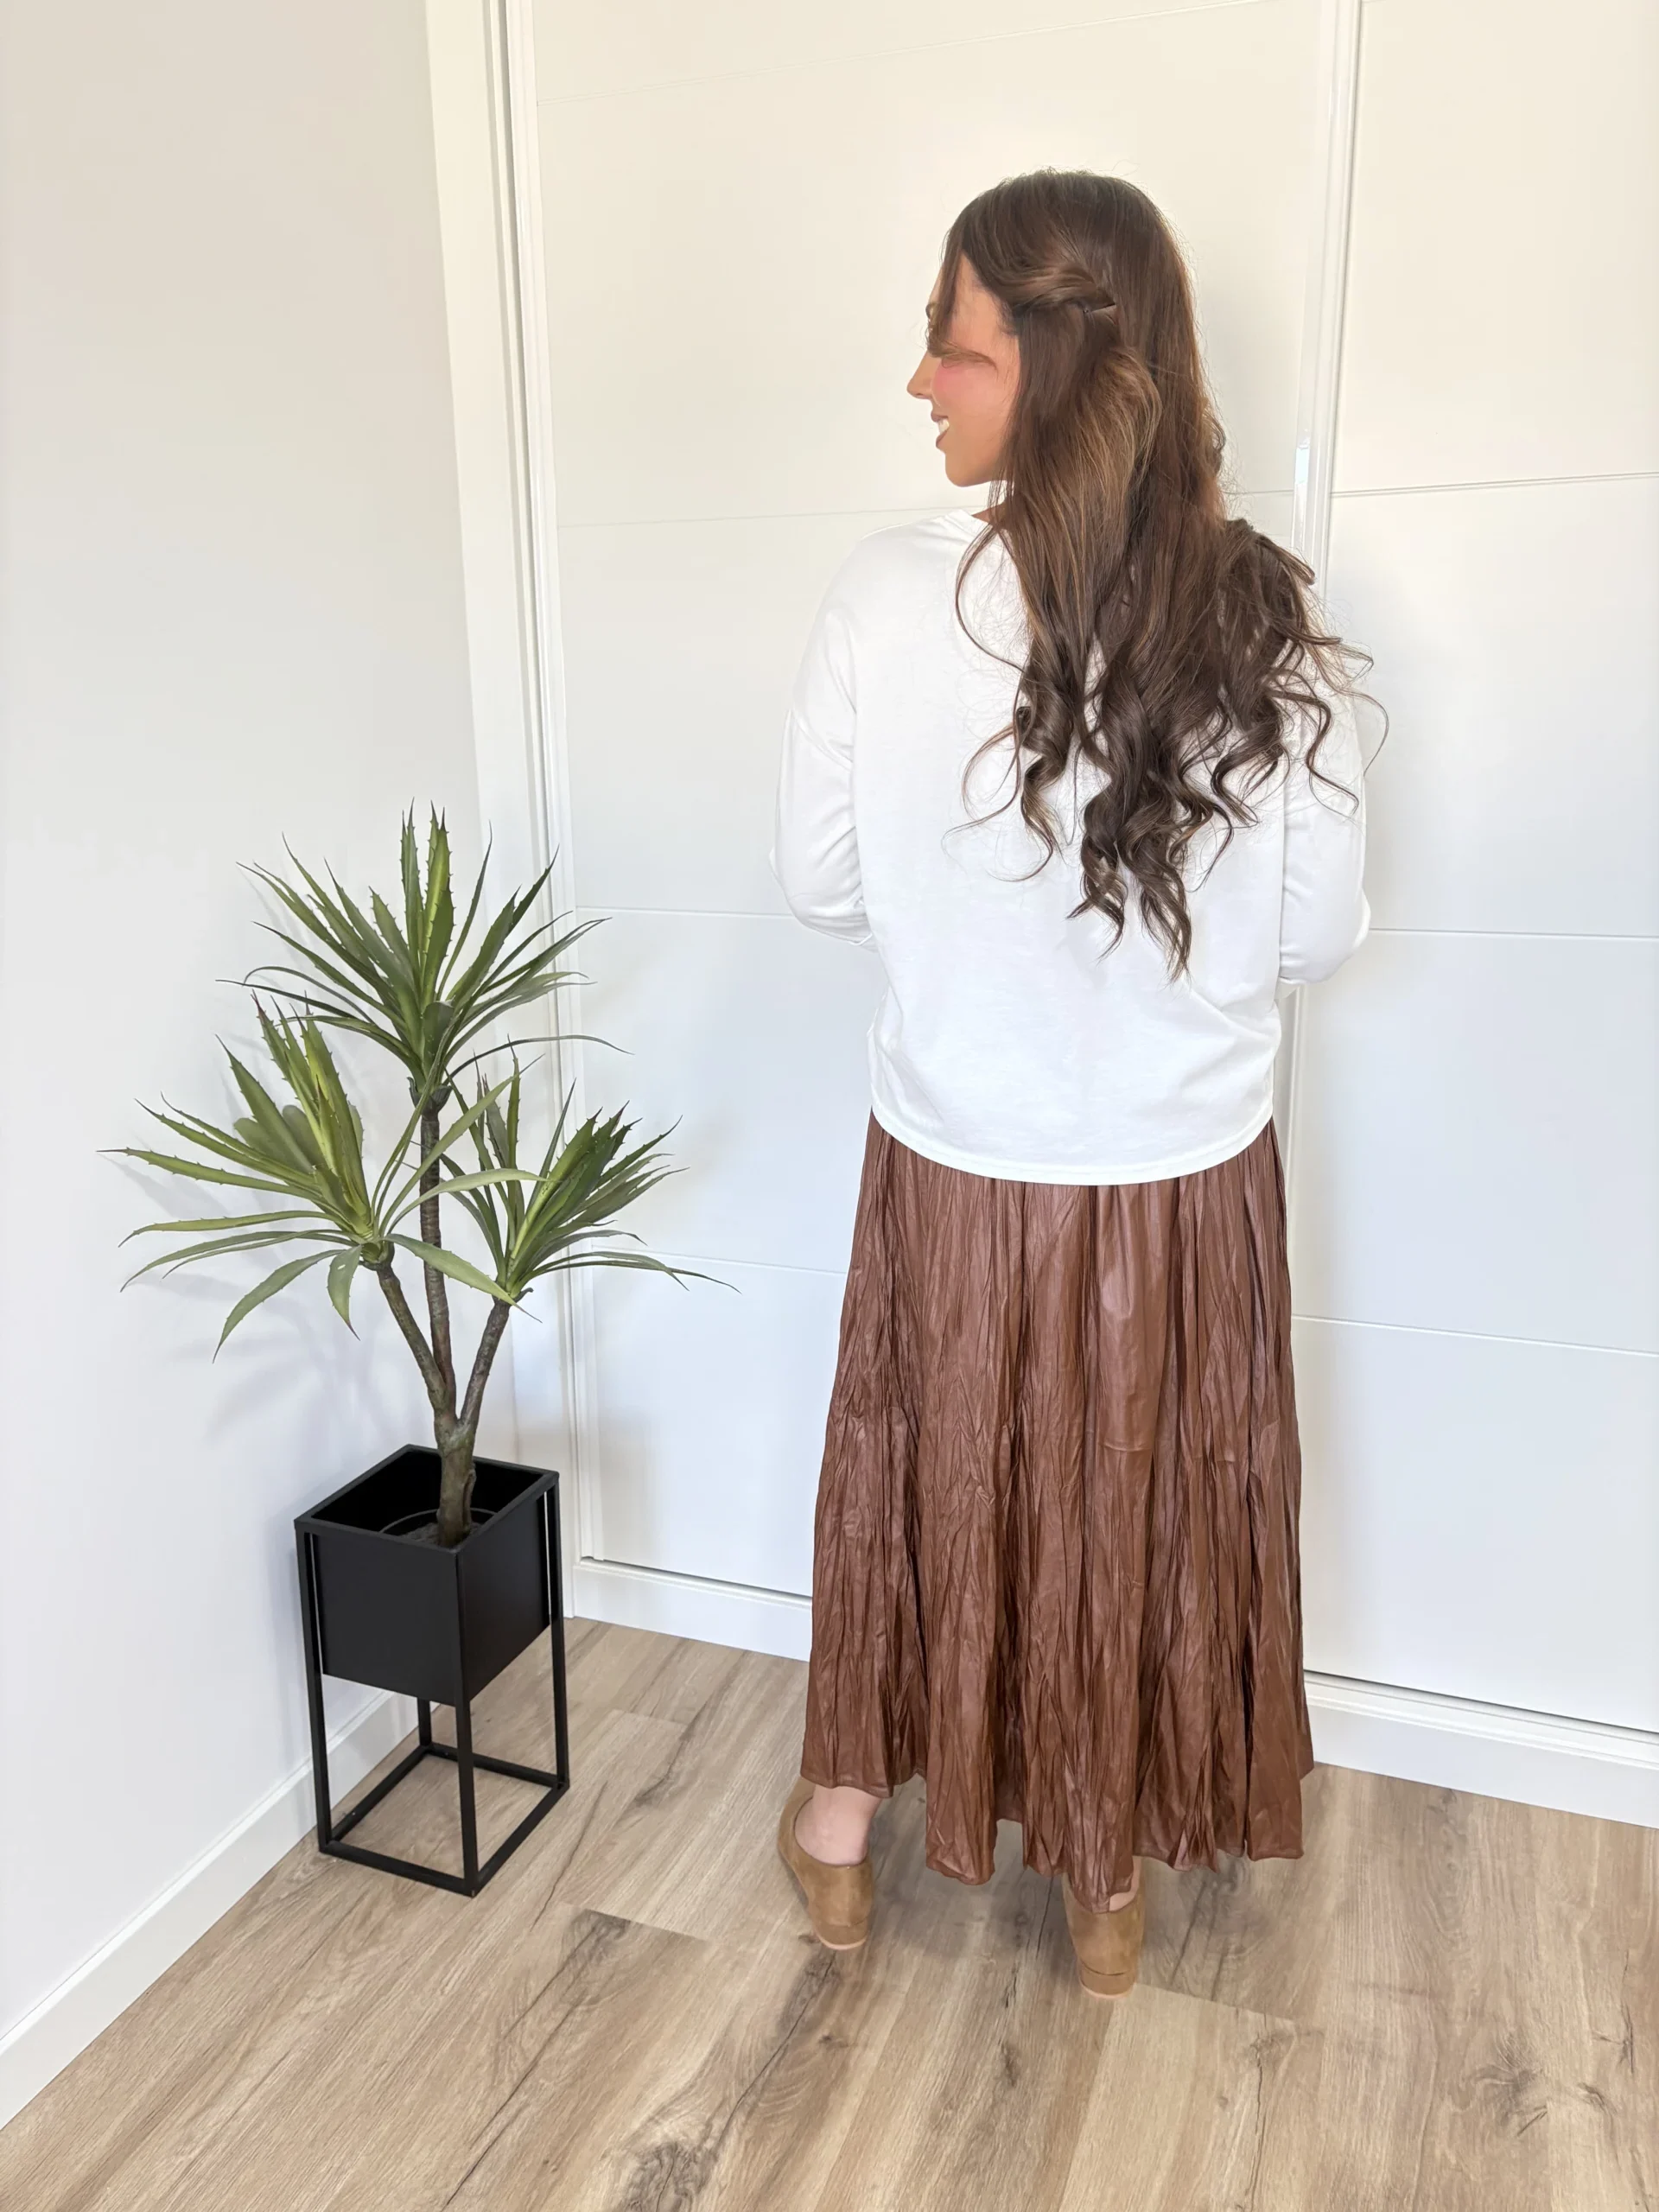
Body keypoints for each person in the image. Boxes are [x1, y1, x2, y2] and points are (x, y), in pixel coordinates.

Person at [768, 168, 1374, 1999]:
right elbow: (1318, 931)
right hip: (1185, 1180)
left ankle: (841, 1830)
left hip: (953, 1156)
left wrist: (970, 918)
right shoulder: (1265, 621)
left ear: (1053, 364)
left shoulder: (888, 595)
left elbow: (818, 884)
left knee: (918, 1477)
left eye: (951, 348)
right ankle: (1104, 1881)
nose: (921, 383)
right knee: (1142, 1503)